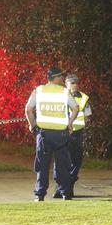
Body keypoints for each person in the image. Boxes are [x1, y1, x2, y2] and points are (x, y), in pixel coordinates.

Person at [25, 67, 79, 201]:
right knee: (63, 165)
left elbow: (28, 109)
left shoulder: (39, 90)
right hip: (61, 134)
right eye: (61, 77)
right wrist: (70, 123)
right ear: (56, 78)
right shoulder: (64, 92)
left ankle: (40, 194)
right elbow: (75, 108)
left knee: (42, 165)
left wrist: (33, 126)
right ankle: (65, 193)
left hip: (43, 134)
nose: (62, 79)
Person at [51, 74, 92, 198]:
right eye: (71, 83)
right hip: (62, 132)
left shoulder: (83, 98)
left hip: (76, 134)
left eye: (76, 83)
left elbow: (88, 115)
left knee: (75, 161)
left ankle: (68, 186)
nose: (74, 85)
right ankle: (61, 188)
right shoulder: (60, 96)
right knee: (60, 161)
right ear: (66, 84)